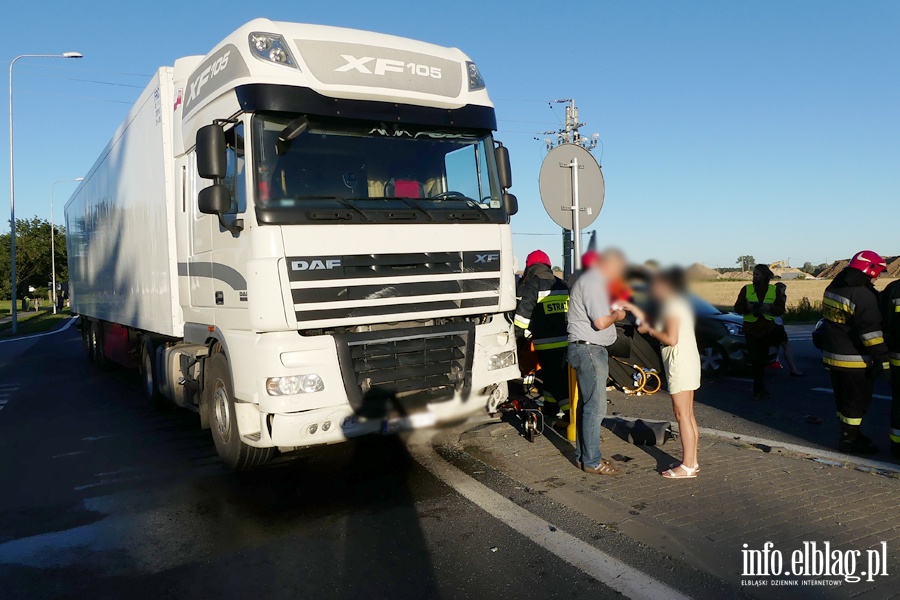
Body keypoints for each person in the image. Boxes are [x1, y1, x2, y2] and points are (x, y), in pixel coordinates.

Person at [623, 268, 701, 478]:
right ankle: (692, 462)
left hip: (679, 363)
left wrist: (650, 331)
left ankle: (687, 466)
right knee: (688, 414)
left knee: (682, 414)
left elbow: (671, 338)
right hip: (688, 361)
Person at [822, 250, 889, 455]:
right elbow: (872, 335)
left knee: (843, 399)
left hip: (832, 357)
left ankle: (848, 433)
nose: (876, 277)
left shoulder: (833, 288)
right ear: (869, 269)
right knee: (857, 402)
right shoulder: (863, 295)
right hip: (855, 361)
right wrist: (883, 362)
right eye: (876, 272)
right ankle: (850, 441)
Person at [567, 250, 626, 476]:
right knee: (596, 407)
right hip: (589, 349)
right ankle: (592, 461)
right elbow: (601, 322)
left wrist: (614, 308)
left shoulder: (592, 283)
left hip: (586, 349)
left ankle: (586, 457)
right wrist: (617, 316)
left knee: (587, 405)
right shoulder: (593, 283)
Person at [514, 250, 571, 424]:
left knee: (554, 380)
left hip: (545, 342)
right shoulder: (560, 284)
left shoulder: (533, 284)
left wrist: (518, 337)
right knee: (553, 375)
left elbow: (523, 314)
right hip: (565, 340)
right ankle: (551, 408)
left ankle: (571, 414)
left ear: (529, 267)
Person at [734, 265, 786, 399]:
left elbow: (781, 309)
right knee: (755, 359)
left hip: (767, 328)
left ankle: (760, 388)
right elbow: (738, 307)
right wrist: (747, 307)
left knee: (762, 360)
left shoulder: (774, 290)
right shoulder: (747, 289)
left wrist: (769, 307)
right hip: (751, 329)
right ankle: (757, 389)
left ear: (765, 276)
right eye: (754, 274)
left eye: (757, 274)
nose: (754, 277)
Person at [879, 277, 900, 457]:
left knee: (898, 403)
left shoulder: (893, 289)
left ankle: (897, 445)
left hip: (896, 357)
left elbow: (883, 323)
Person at [772, 282, 804, 377]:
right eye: (783, 290)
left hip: (774, 323)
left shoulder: (775, 297)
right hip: (776, 324)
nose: (784, 292)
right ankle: (793, 369)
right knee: (785, 346)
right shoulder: (779, 298)